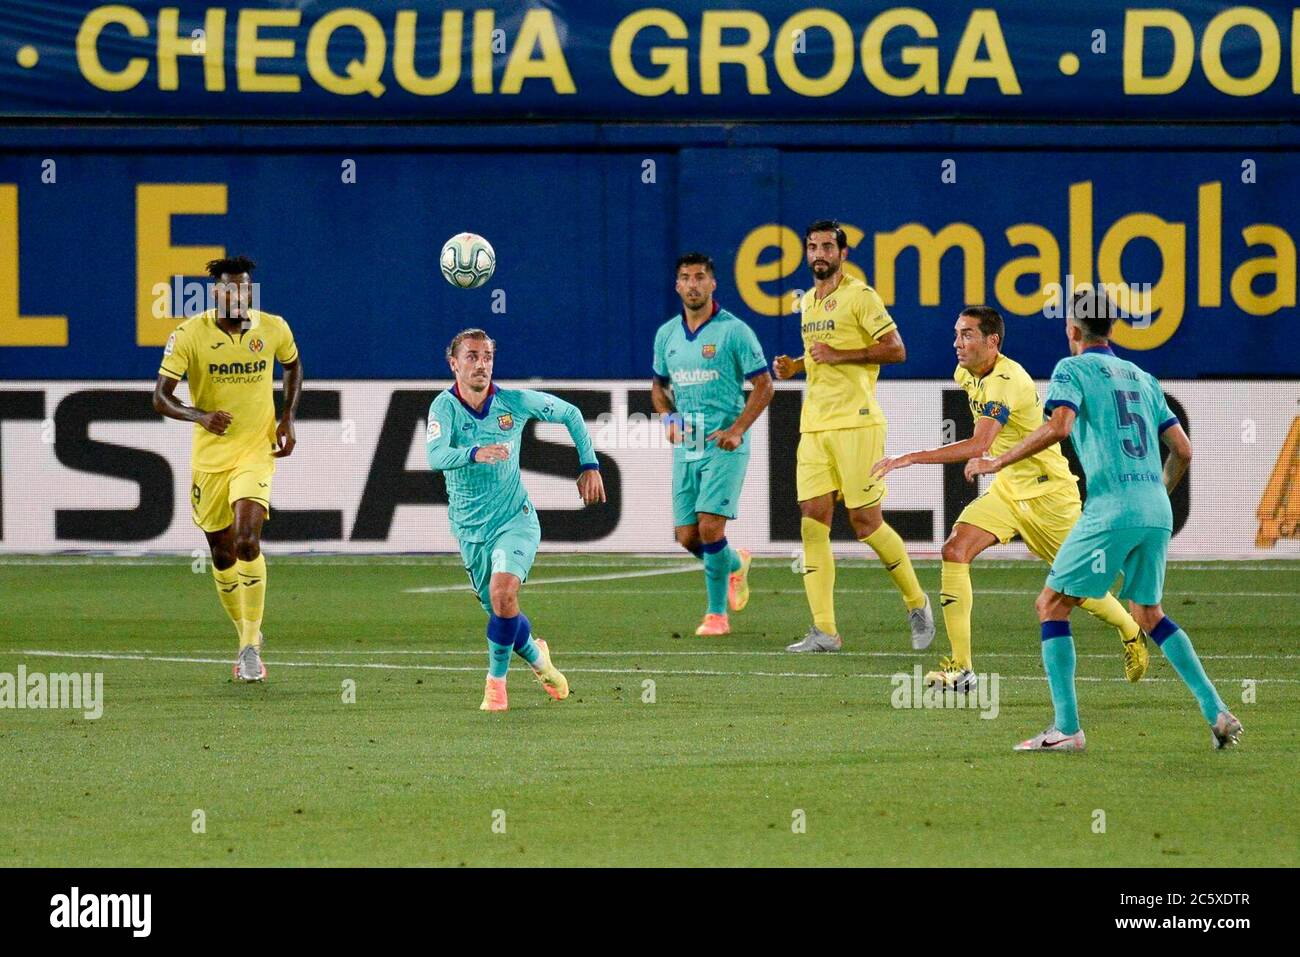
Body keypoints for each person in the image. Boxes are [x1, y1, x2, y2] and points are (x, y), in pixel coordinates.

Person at [967, 287, 1242, 751]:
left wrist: (997, 462)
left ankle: (1068, 728)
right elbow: (1183, 450)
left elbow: (1059, 426)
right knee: (1148, 614)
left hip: (1111, 506)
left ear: (1071, 329)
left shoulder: (1070, 369)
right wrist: (1155, 493)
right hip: (1156, 506)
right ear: (1113, 329)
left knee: (1052, 605)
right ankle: (1216, 711)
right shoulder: (1141, 376)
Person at [871, 306, 1147, 692]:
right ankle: (962, 669)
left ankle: (1131, 629)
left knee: (1077, 590)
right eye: (956, 333)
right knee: (955, 551)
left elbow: (980, 443)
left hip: (1048, 493)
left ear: (992, 341)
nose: (957, 343)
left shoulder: (1009, 379)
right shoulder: (965, 373)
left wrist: (909, 458)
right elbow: (987, 436)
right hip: (1007, 491)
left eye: (967, 334)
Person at [772, 220, 933, 653]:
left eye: (827, 246)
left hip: (857, 422)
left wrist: (841, 354)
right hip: (815, 425)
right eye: (812, 247)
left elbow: (896, 349)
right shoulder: (808, 302)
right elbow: (818, 355)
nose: (819, 253)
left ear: (843, 254)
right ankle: (824, 631)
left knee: (865, 522)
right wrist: (796, 367)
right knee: (812, 522)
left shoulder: (861, 295)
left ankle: (917, 602)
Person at [426, 328, 606, 712]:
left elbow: (570, 414)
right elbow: (436, 456)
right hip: (471, 530)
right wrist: (475, 452)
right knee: (503, 613)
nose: (481, 364)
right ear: (453, 363)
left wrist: (589, 464)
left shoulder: (514, 402)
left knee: (504, 594)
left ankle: (496, 686)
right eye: (472, 356)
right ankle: (539, 659)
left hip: (515, 520)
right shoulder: (443, 408)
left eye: (487, 356)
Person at [152, 255, 302, 683]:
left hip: (255, 451)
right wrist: (199, 415)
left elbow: (292, 364)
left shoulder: (273, 327)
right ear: (216, 292)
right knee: (221, 554)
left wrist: (287, 416)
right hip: (210, 459)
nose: (240, 294)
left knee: (247, 540)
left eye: (246, 287)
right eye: (231, 288)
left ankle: (249, 646)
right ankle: (245, 633)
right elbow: (160, 397)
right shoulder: (188, 335)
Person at [651, 252, 773, 636]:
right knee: (686, 536)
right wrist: (668, 416)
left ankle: (716, 615)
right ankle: (735, 564)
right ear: (677, 285)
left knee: (709, 529)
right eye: (685, 277)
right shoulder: (667, 334)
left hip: (725, 444)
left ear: (713, 283)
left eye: (700, 276)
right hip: (688, 446)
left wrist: (738, 429)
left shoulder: (734, 331)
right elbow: (658, 387)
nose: (693, 284)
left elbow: (765, 385)